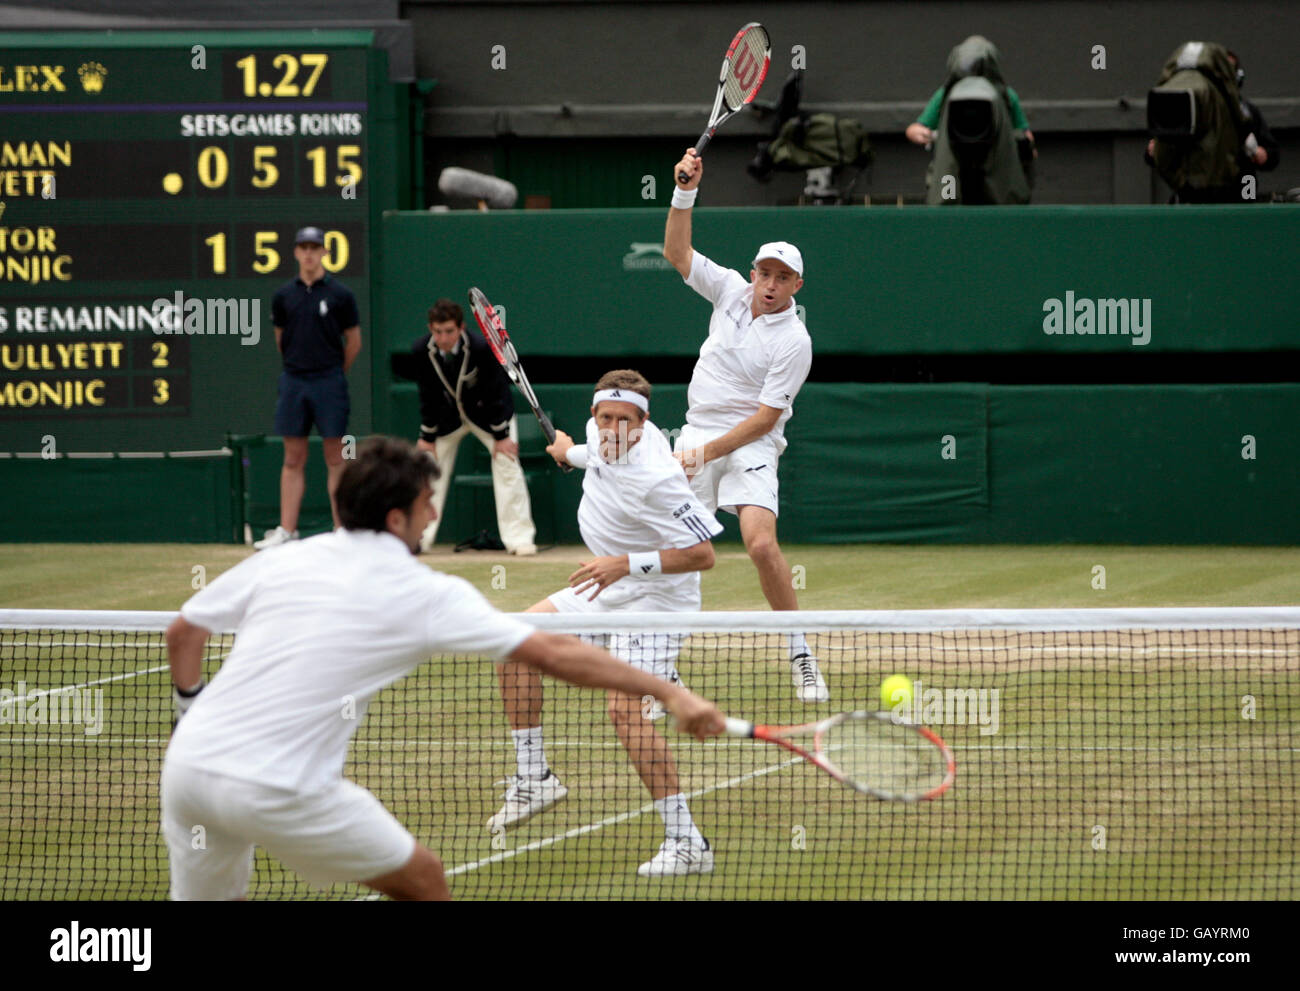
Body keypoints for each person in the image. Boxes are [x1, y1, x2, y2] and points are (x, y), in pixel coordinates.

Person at [162, 436, 723, 900]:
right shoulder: (424, 592)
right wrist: (667, 692)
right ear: (397, 517)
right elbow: (548, 651)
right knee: (427, 882)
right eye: (428, 503)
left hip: (188, 769)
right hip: (276, 785)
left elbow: (183, 633)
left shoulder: (284, 557)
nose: (435, 513)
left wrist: (190, 711)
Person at [487, 370, 725, 876]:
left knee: (623, 713)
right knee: (516, 641)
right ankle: (535, 779)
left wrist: (625, 563)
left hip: (656, 600)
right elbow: (588, 452)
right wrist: (567, 452)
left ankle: (688, 843)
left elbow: (702, 555)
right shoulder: (598, 436)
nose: (613, 428)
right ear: (595, 416)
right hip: (603, 588)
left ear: (643, 425)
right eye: (605, 417)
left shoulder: (659, 479)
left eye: (625, 420)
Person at [663, 152, 829, 704]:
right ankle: (662, 669)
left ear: (796, 286)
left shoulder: (794, 342)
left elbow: (764, 418)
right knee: (680, 549)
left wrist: (706, 452)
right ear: (754, 274)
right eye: (765, 273)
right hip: (697, 432)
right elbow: (677, 253)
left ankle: (801, 654)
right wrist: (685, 192)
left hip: (750, 443)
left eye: (783, 277)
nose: (770, 284)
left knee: (759, 543)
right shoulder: (730, 289)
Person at [390, 298, 537, 554]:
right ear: (430, 329)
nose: (443, 337)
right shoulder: (421, 350)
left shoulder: (481, 347)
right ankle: (418, 538)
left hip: (489, 417)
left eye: (448, 331)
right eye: (437, 331)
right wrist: (427, 435)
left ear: (460, 328)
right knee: (426, 467)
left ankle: (519, 539)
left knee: (507, 463)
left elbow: (497, 391)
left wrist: (501, 435)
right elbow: (427, 393)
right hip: (448, 419)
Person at [254, 226, 362, 549]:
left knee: (335, 456)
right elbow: (281, 340)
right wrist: (300, 369)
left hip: (329, 381)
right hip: (294, 382)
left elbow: (354, 342)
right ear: (296, 252)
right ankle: (287, 531)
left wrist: (332, 372)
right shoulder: (283, 296)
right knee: (293, 457)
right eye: (304, 247)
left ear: (324, 253)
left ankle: (342, 532)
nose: (309, 253)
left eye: (315, 248)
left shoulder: (341, 295)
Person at [905, 35, 1035, 205]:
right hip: (952, 169)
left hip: (995, 169)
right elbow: (914, 129)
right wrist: (926, 134)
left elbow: (1026, 136)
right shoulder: (946, 96)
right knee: (948, 204)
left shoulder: (1005, 96)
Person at [1228, 51, 1280, 194]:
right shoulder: (1199, 111)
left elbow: (1272, 154)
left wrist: (1263, 155)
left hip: (1244, 184)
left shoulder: (1249, 111)